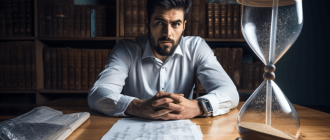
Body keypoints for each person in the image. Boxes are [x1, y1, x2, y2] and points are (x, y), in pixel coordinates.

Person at [88, 0, 239, 120]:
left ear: (184, 26)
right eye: (160, 22)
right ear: (148, 22)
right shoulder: (126, 50)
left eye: (175, 24)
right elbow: (97, 93)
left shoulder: (196, 48)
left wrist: (198, 106)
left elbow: (230, 92)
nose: (168, 33)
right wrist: (136, 106)